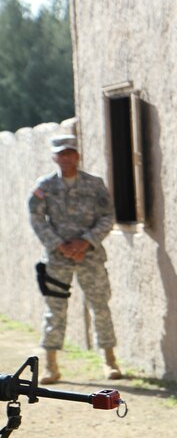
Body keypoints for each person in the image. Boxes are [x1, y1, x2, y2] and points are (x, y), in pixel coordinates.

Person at [28, 134, 123, 383]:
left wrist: (86, 241)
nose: (66, 158)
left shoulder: (95, 185)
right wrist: (59, 245)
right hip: (58, 259)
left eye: (70, 153)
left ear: (77, 156)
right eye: (61, 154)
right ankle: (51, 366)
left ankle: (109, 360)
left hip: (89, 255)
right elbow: (36, 219)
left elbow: (108, 216)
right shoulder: (44, 187)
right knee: (55, 310)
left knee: (100, 305)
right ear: (54, 157)